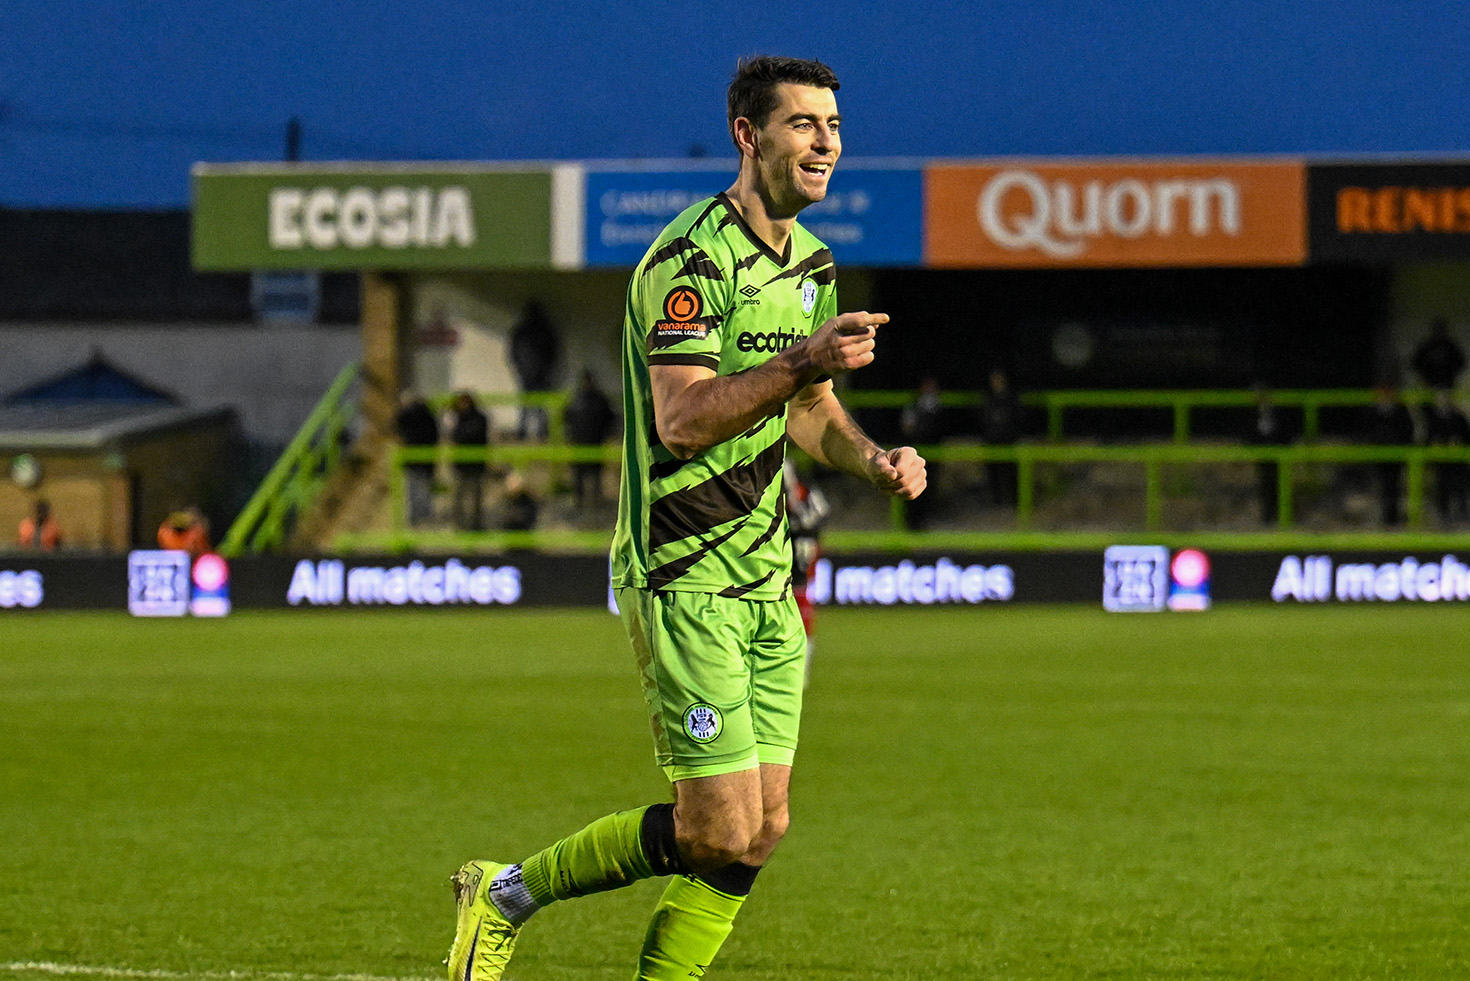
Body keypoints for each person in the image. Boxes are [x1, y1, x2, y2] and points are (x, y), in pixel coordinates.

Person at [446, 55, 927, 981]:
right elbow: (681, 420)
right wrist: (798, 363)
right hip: (685, 573)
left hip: (765, 577)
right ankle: (504, 893)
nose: (826, 142)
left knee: (763, 827)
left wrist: (872, 459)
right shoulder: (688, 260)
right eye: (803, 124)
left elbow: (811, 411)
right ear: (750, 136)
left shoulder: (813, 267)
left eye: (833, 124)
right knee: (715, 826)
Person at [783, 460, 830, 687]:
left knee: (799, 607)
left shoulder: (803, 496)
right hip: (792, 561)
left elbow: (818, 515)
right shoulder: (810, 497)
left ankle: (798, 672)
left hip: (795, 560)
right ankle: (796, 672)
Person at [564, 368, 617, 509]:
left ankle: (590, 499)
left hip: (589, 443)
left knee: (591, 474)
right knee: (585, 474)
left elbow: (567, 419)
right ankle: (585, 500)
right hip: (586, 443)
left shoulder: (577, 400)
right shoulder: (591, 400)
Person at [1364, 385, 1416, 526]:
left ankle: (1392, 517)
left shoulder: (1401, 410)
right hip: (1379, 456)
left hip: (1396, 456)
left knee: (1394, 486)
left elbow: (1408, 430)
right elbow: (1368, 432)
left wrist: (1403, 449)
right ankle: (1383, 516)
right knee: (1381, 485)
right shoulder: (1372, 411)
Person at [509, 301, 560, 441]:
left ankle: (523, 432)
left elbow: (513, 352)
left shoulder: (521, 331)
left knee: (526, 403)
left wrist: (518, 367)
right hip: (541, 372)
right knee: (540, 404)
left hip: (527, 372)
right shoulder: (545, 330)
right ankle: (542, 432)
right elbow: (553, 351)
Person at [1247, 384, 1296, 524]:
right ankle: (1267, 516)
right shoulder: (1253, 414)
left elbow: (1287, 433)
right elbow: (1249, 435)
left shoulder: (1279, 413)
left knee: (1280, 486)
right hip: (1263, 457)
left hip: (1280, 457)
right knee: (1265, 485)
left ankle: (1283, 517)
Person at [900, 375, 944, 528]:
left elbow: (940, 430)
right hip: (916, 454)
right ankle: (912, 522)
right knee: (911, 488)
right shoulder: (913, 405)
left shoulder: (938, 408)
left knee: (928, 487)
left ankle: (923, 520)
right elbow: (907, 427)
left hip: (932, 455)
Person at [1424, 390, 1470, 524]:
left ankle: (1462, 511)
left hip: (1457, 460)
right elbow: (1428, 438)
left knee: (1459, 486)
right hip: (1441, 460)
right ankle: (1443, 512)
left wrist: (1458, 443)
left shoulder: (1459, 417)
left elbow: (1466, 436)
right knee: (1441, 485)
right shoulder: (1432, 419)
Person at [394, 390, 440, 527]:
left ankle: (414, 518)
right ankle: (426, 516)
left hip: (411, 456)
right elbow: (435, 436)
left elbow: (396, 424)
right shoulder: (430, 415)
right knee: (425, 488)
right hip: (427, 457)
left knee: (412, 489)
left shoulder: (407, 415)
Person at [978, 367, 1021, 507]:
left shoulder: (1011, 397)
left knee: (1011, 472)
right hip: (992, 441)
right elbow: (984, 419)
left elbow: (1017, 418)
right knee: (993, 472)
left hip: (1008, 441)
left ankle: (1015, 501)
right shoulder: (988, 398)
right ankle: (997, 501)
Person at [448, 391, 489, 531]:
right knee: (459, 497)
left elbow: (471, 436)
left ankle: (476, 525)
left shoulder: (479, 419)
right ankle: (459, 525)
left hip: (475, 464)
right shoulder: (458, 419)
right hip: (461, 465)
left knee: (476, 498)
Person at [1411, 318, 1466, 393]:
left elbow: (1461, 363)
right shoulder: (1427, 347)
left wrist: (1452, 375)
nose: (1439, 334)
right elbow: (1416, 363)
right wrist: (1423, 377)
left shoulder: (1450, 347)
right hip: (1430, 383)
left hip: (1447, 383)